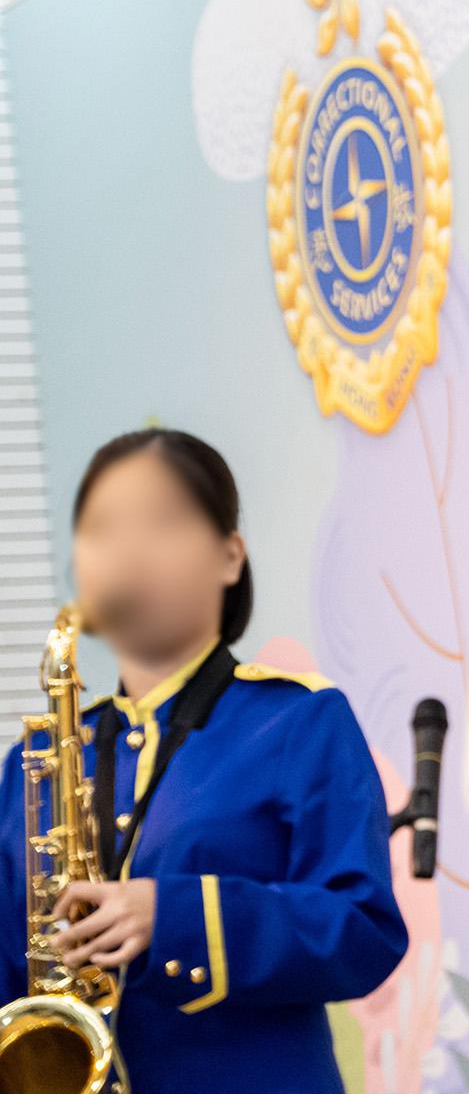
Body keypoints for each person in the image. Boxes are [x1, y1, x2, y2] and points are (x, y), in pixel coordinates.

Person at [0, 428, 407, 1093]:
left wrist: (173, 915)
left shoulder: (298, 720)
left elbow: (363, 932)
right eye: (103, 530)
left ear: (229, 556)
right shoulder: (36, 760)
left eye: (160, 522)